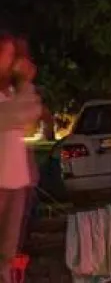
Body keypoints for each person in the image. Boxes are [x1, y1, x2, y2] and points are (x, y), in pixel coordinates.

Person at [0, 32, 40, 269]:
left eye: (12, 54)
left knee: (6, 256)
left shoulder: (13, 95)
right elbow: (19, 114)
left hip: (16, 183)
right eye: (5, 53)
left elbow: (30, 116)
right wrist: (26, 80)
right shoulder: (13, 100)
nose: (11, 60)